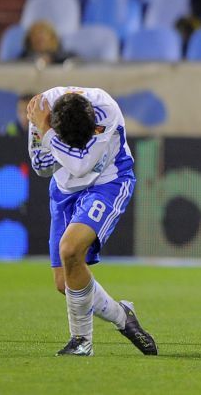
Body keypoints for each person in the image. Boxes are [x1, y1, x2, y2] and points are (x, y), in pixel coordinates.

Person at [27, 87, 158, 356]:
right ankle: (123, 317)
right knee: (66, 283)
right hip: (64, 192)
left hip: (107, 183)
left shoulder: (105, 109)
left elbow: (81, 166)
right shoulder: (39, 110)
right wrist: (43, 129)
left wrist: (48, 133)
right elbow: (41, 167)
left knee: (70, 249)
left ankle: (81, 341)